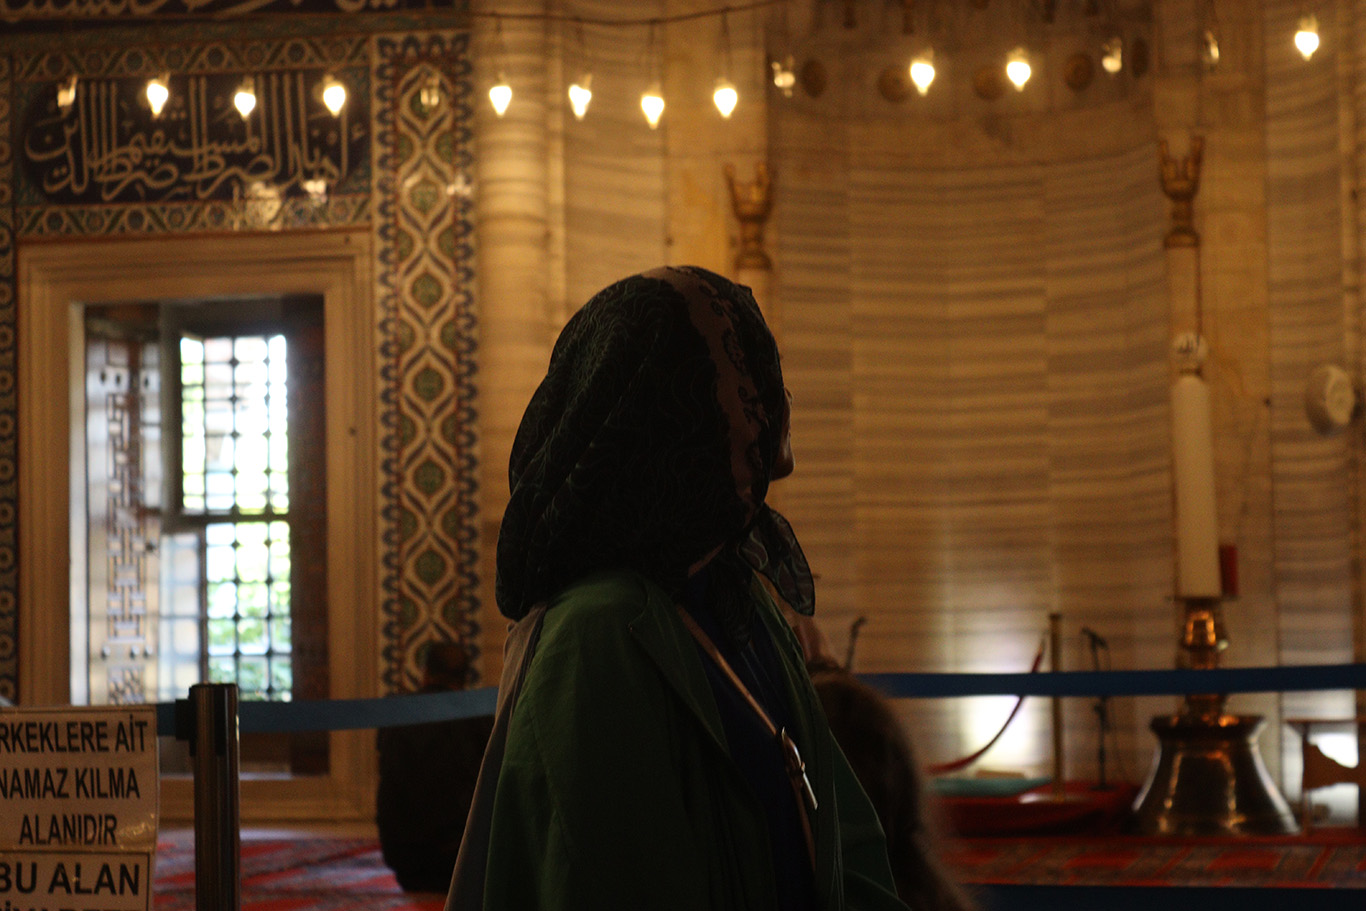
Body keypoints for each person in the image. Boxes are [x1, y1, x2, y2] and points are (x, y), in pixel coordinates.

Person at [449, 265, 908, 910]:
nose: (770, 406)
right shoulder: (597, 635)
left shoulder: (738, 600)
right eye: (745, 379)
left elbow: (843, 838)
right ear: (677, 413)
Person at [376, 641, 493, 893]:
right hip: (463, 861)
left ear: (425, 672)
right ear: (464, 679)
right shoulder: (480, 718)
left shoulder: (396, 711)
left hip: (406, 859)